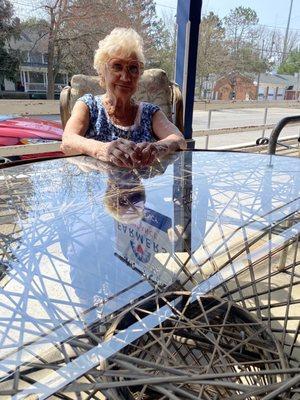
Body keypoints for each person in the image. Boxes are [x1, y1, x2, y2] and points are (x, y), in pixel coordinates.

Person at [61, 28, 186, 168]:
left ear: (139, 75)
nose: (126, 77)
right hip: (98, 186)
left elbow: (179, 139)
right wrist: (103, 149)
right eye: (117, 66)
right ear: (103, 72)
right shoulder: (88, 105)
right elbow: (68, 141)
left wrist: (157, 147)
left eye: (133, 68)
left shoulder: (150, 113)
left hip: (145, 186)